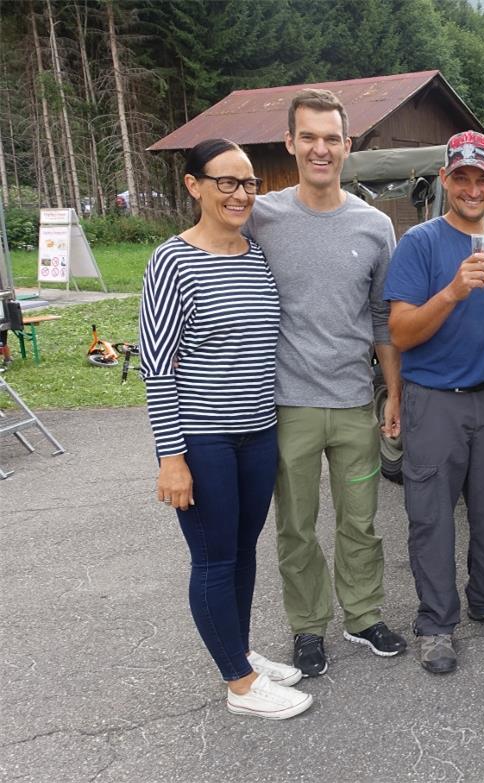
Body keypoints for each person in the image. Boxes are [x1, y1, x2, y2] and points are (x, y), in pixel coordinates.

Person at [141, 138, 311, 719]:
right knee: (214, 559)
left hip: (257, 433)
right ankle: (239, 684)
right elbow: (158, 366)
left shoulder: (255, 253)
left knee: (242, 551)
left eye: (249, 184)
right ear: (195, 186)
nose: (241, 194)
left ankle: (238, 654)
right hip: (204, 440)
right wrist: (171, 458)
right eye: (227, 182)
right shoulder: (172, 261)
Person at [246, 89, 405, 678]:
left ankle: (362, 616)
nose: (320, 148)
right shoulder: (262, 216)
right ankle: (308, 627)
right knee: (296, 526)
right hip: (286, 404)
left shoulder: (374, 224)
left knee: (361, 521)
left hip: (353, 402)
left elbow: (382, 318)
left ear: (347, 145)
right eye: (308, 137)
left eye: (331, 138)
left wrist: (394, 395)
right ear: (290, 142)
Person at [386, 130, 484, 675]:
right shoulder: (420, 243)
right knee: (431, 519)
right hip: (433, 401)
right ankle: (435, 624)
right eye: (461, 177)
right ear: (446, 180)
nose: (472, 189)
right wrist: (451, 291)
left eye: (482, 179)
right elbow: (400, 333)